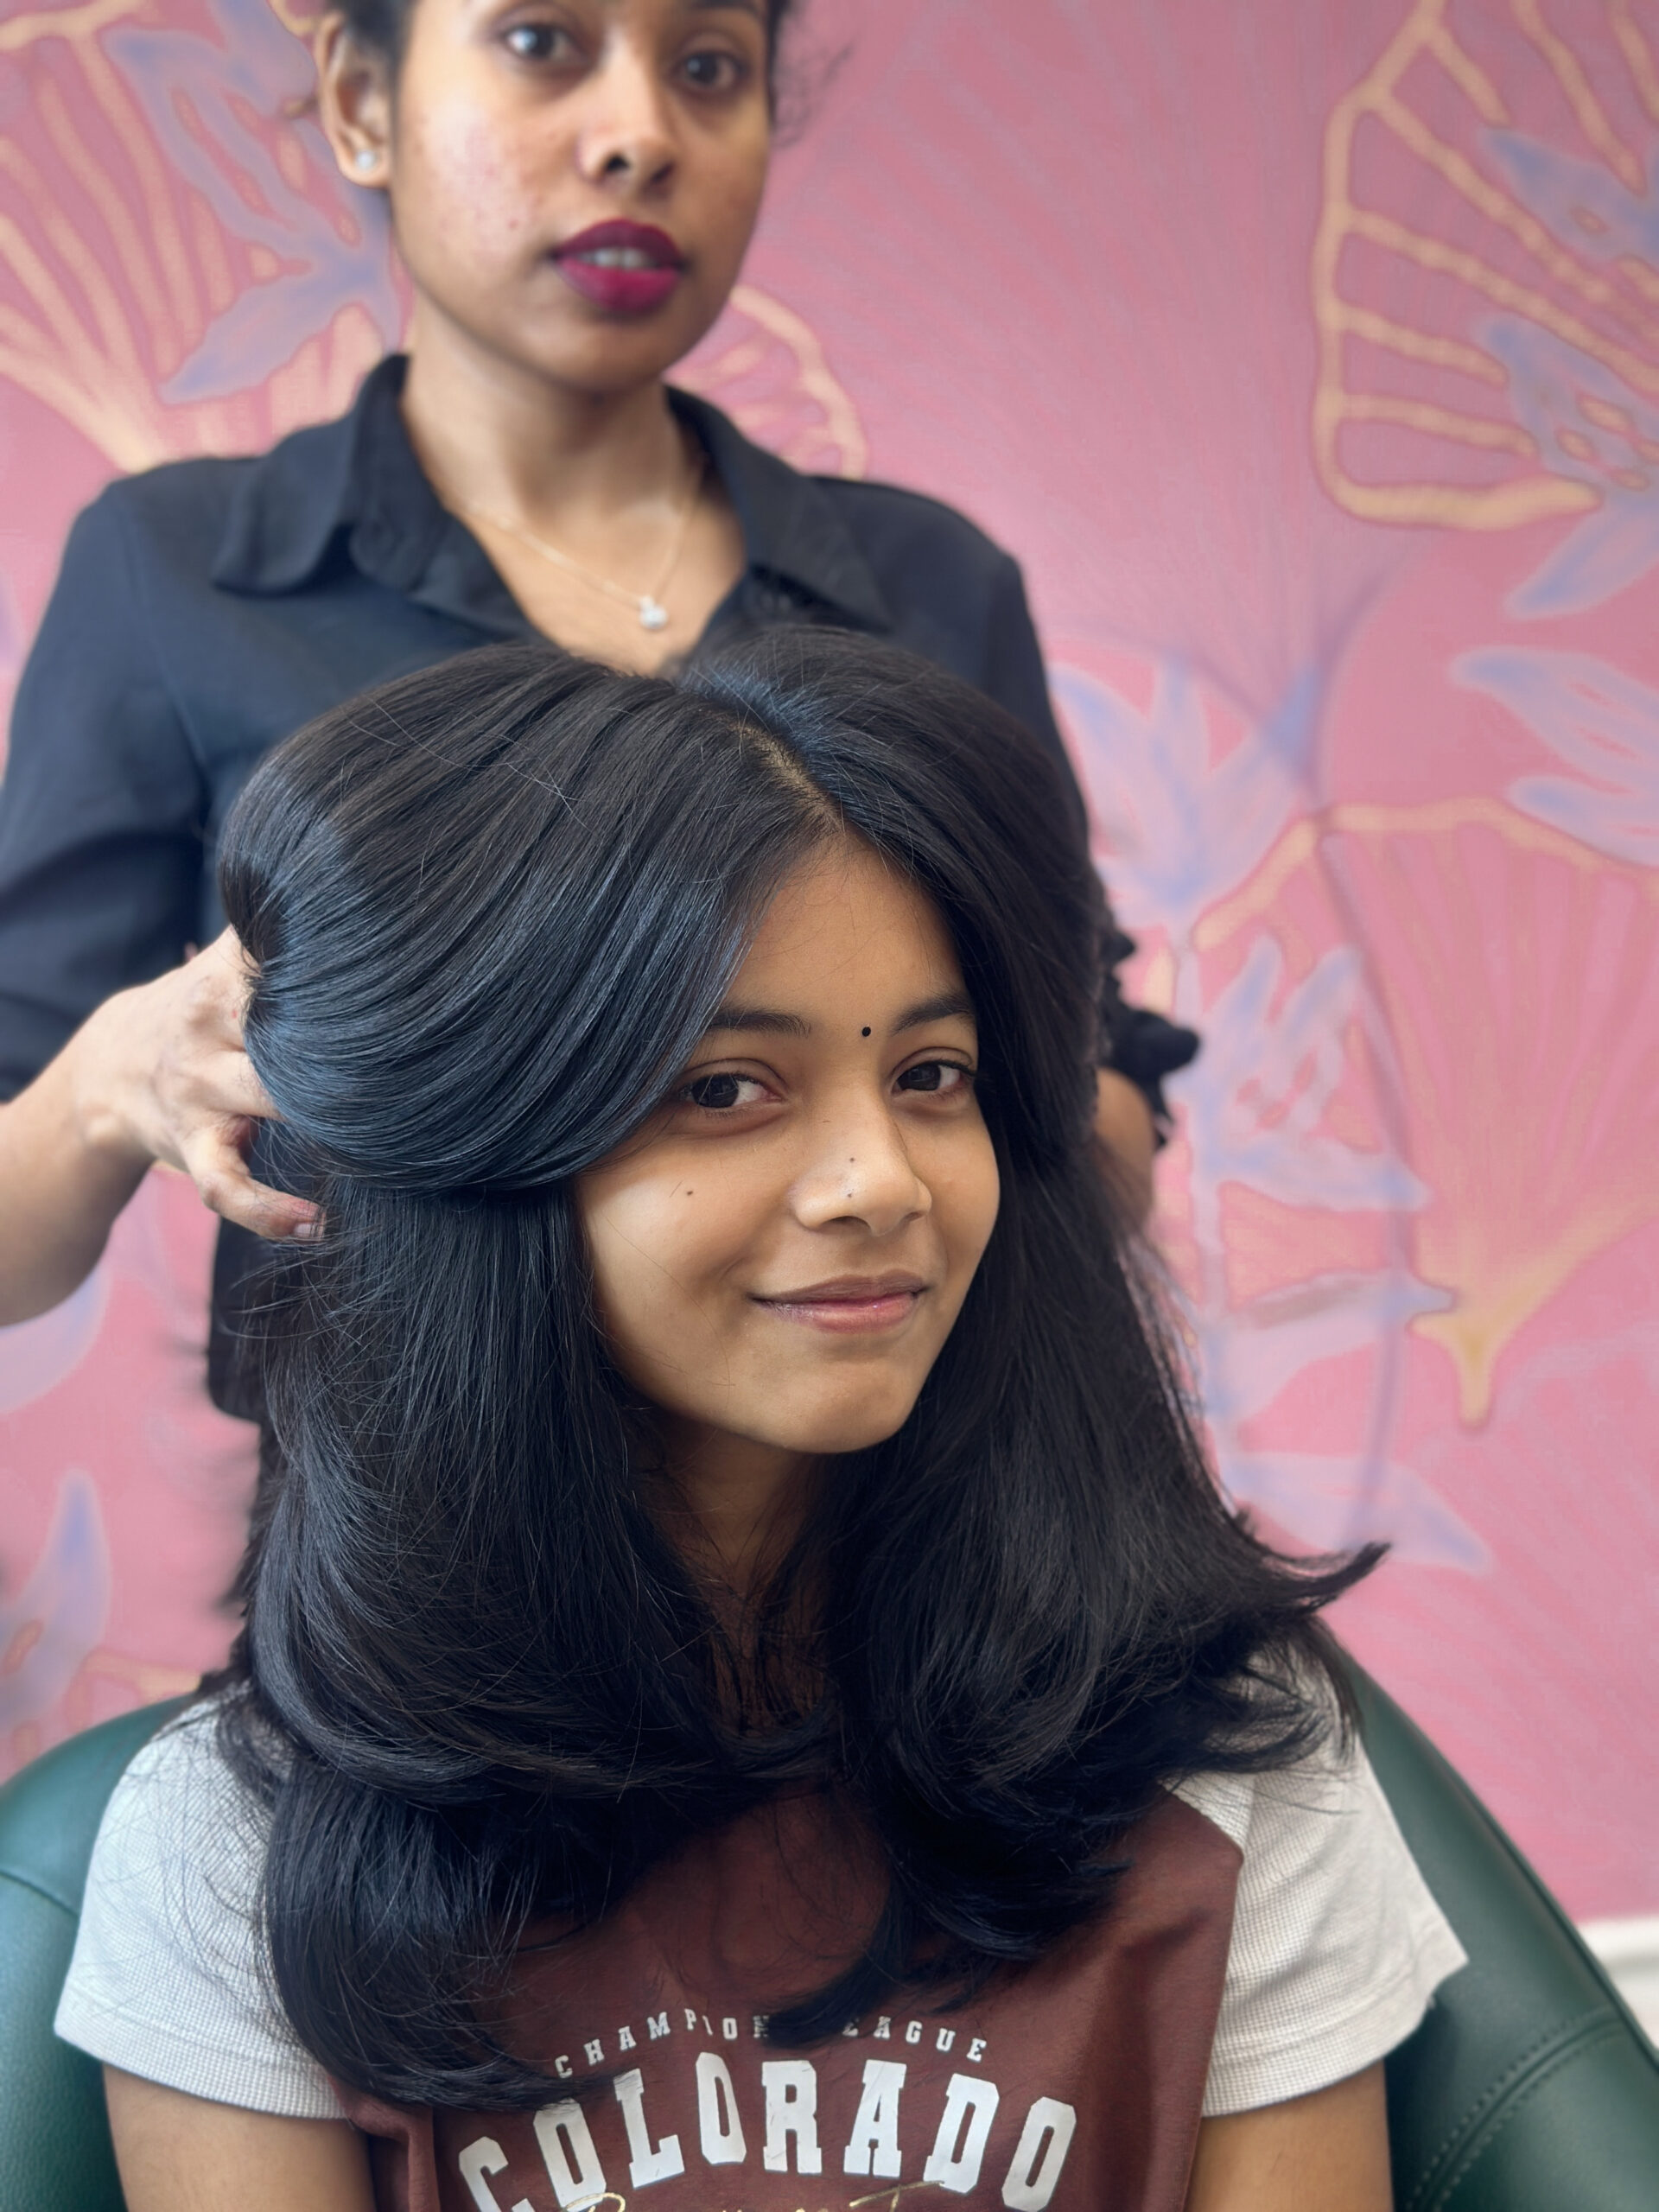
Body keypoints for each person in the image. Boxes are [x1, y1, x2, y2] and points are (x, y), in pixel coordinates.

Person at [54, 633, 1462, 2212]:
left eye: (934, 1073)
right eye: (728, 1090)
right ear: (488, 1178)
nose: (882, 1181)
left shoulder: (1225, 1760)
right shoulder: (229, 1843)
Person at [0, 0, 1193, 1356]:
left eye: (707, 68)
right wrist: (110, 1082)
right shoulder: (175, 571)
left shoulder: (934, 587)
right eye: (539, 44)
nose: (640, 137)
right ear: (360, 100)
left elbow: (1093, 1107)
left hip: (893, 1533)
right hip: (405, 1552)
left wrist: (968, 1101)